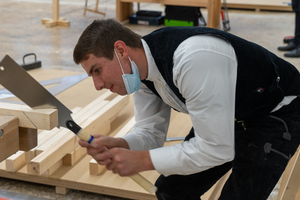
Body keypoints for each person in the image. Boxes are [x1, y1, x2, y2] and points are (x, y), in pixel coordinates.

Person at [74, 19, 300, 200]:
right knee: (171, 191)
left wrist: (142, 161)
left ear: (121, 50)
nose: (98, 85)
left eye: (97, 70)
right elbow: (150, 133)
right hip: (232, 112)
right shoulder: (140, 73)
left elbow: (214, 150)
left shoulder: (190, 59)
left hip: (277, 111)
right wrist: (122, 144)